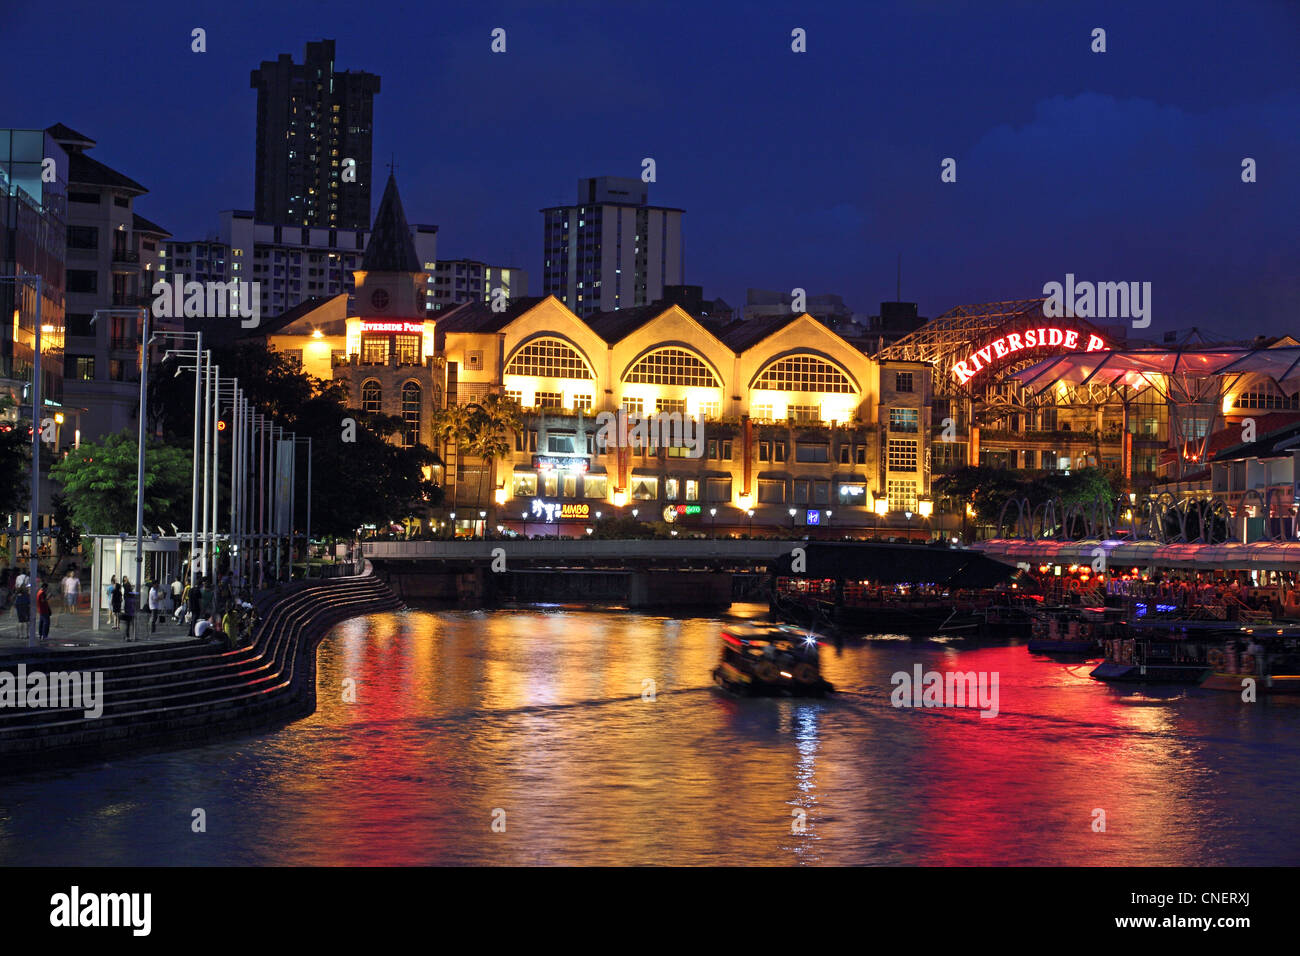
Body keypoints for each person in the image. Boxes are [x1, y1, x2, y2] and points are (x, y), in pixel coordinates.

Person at [121, 577, 137, 641]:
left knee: (127, 625)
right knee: (130, 625)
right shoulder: (131, 597)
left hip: (128, 612)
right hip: (131, 612)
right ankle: (129, 636)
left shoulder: (126, 597)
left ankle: (127, 636)